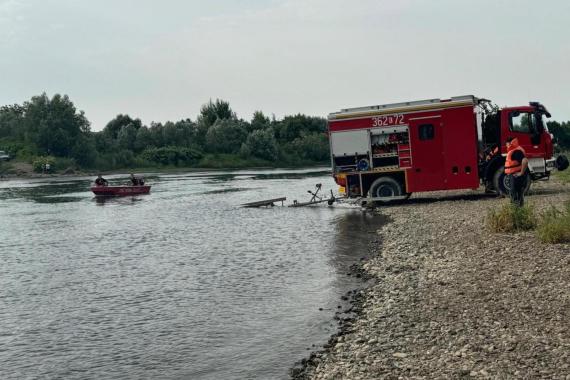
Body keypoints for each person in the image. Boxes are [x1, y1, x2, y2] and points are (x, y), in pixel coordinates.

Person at [504, 137, 528, 206]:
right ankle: (519, 211)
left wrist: (521, 173)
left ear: (509, 143)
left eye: (506, 144)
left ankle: (516, 212)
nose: (506, 146)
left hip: (516, 176)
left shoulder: (515, 151)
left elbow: (525, 161)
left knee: (515, 196)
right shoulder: (517, 149)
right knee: (519, 195)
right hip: (517, 176)